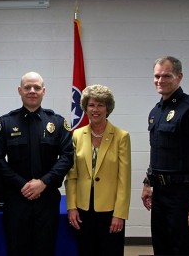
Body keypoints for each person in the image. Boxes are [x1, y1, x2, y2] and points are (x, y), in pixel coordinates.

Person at [141, 56, 189, 255]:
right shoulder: (155, 112)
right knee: (161, 247)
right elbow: (157, 151)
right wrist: (148, 183)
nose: (160, 80)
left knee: (184, 249)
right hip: (160, 195)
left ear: (179, 76)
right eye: (157, 76)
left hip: (184, 196)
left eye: (166, 75)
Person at [0, 71, 74, 256]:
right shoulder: (5, 123)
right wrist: (23, 185)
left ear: (44, 91)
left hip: (47, 199)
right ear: (19, 90)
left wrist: (43, 182)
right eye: (27, 87)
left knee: (45, 249)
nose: (32, 91)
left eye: (37, 87)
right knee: (16, 248)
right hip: (16, 198)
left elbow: (68, 156)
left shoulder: (58, 123)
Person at [64, 84, 131, 256]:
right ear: (85, 108)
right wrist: (71, 207)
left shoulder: (121, 136)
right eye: (92, 105)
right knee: (85, 250)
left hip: (109, 209)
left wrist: (120, 214)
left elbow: (124, 179)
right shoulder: (77, 135)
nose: (96, 109)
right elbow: (71, 176)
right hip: (82, 208)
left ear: (107, 108)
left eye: (100, 105)